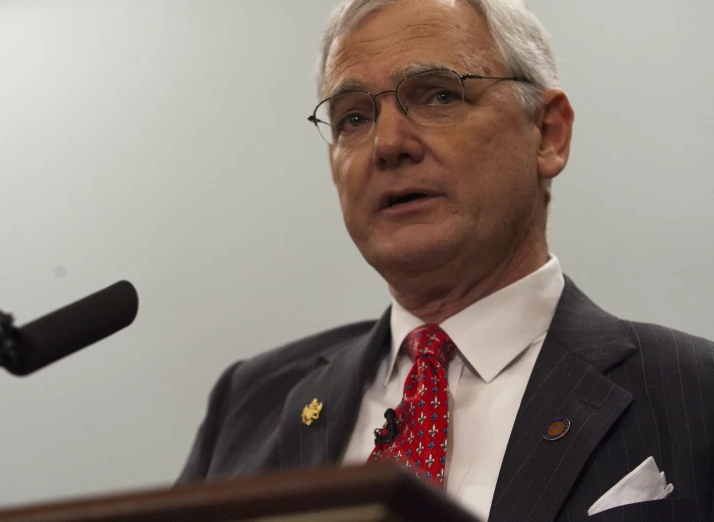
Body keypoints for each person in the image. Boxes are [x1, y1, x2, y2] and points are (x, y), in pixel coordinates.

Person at [177, 0, 714, 520]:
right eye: (353, 118)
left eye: (437, 96)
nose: (388, 144)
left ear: (548, 133)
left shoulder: (696, 393)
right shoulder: (251, 402)